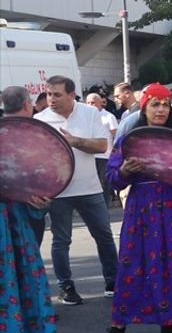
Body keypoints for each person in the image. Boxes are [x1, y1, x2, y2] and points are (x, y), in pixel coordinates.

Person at [97, 84, 172, 333]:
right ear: (144, 108)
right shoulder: (130, 141)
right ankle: (119, 326)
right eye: (155, 104)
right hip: (141, 210)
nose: (161, 109)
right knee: (132, 266)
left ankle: (169, 324)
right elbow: (113, 180)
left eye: (165, 104)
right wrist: (125, 171)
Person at [35, 76, 116, 305]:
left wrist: (74, 141)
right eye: (49, 94)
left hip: (89, 188)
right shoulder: (40, 119)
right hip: (58, 192)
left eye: (57, 94)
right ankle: (66, 287)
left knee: (104, 236)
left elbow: (102, 145)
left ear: (72, 95)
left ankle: (112, 280)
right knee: (61, 241)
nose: (51, 99)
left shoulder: (90, 113)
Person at [0, 85, 57, 333]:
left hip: (13, 217)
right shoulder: (28, 138)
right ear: (27, 105)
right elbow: (40, 180)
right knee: (22, 280)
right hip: (13, 221)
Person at [85, 93, 119, 207]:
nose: (90, 105)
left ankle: (104, 205)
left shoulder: (108, 117)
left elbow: (115, 135)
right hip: (89, 155)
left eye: (93, 103)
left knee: (103, 182)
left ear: (101, 102)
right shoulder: (85, 117)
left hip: (104, 155)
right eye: (88, 103)